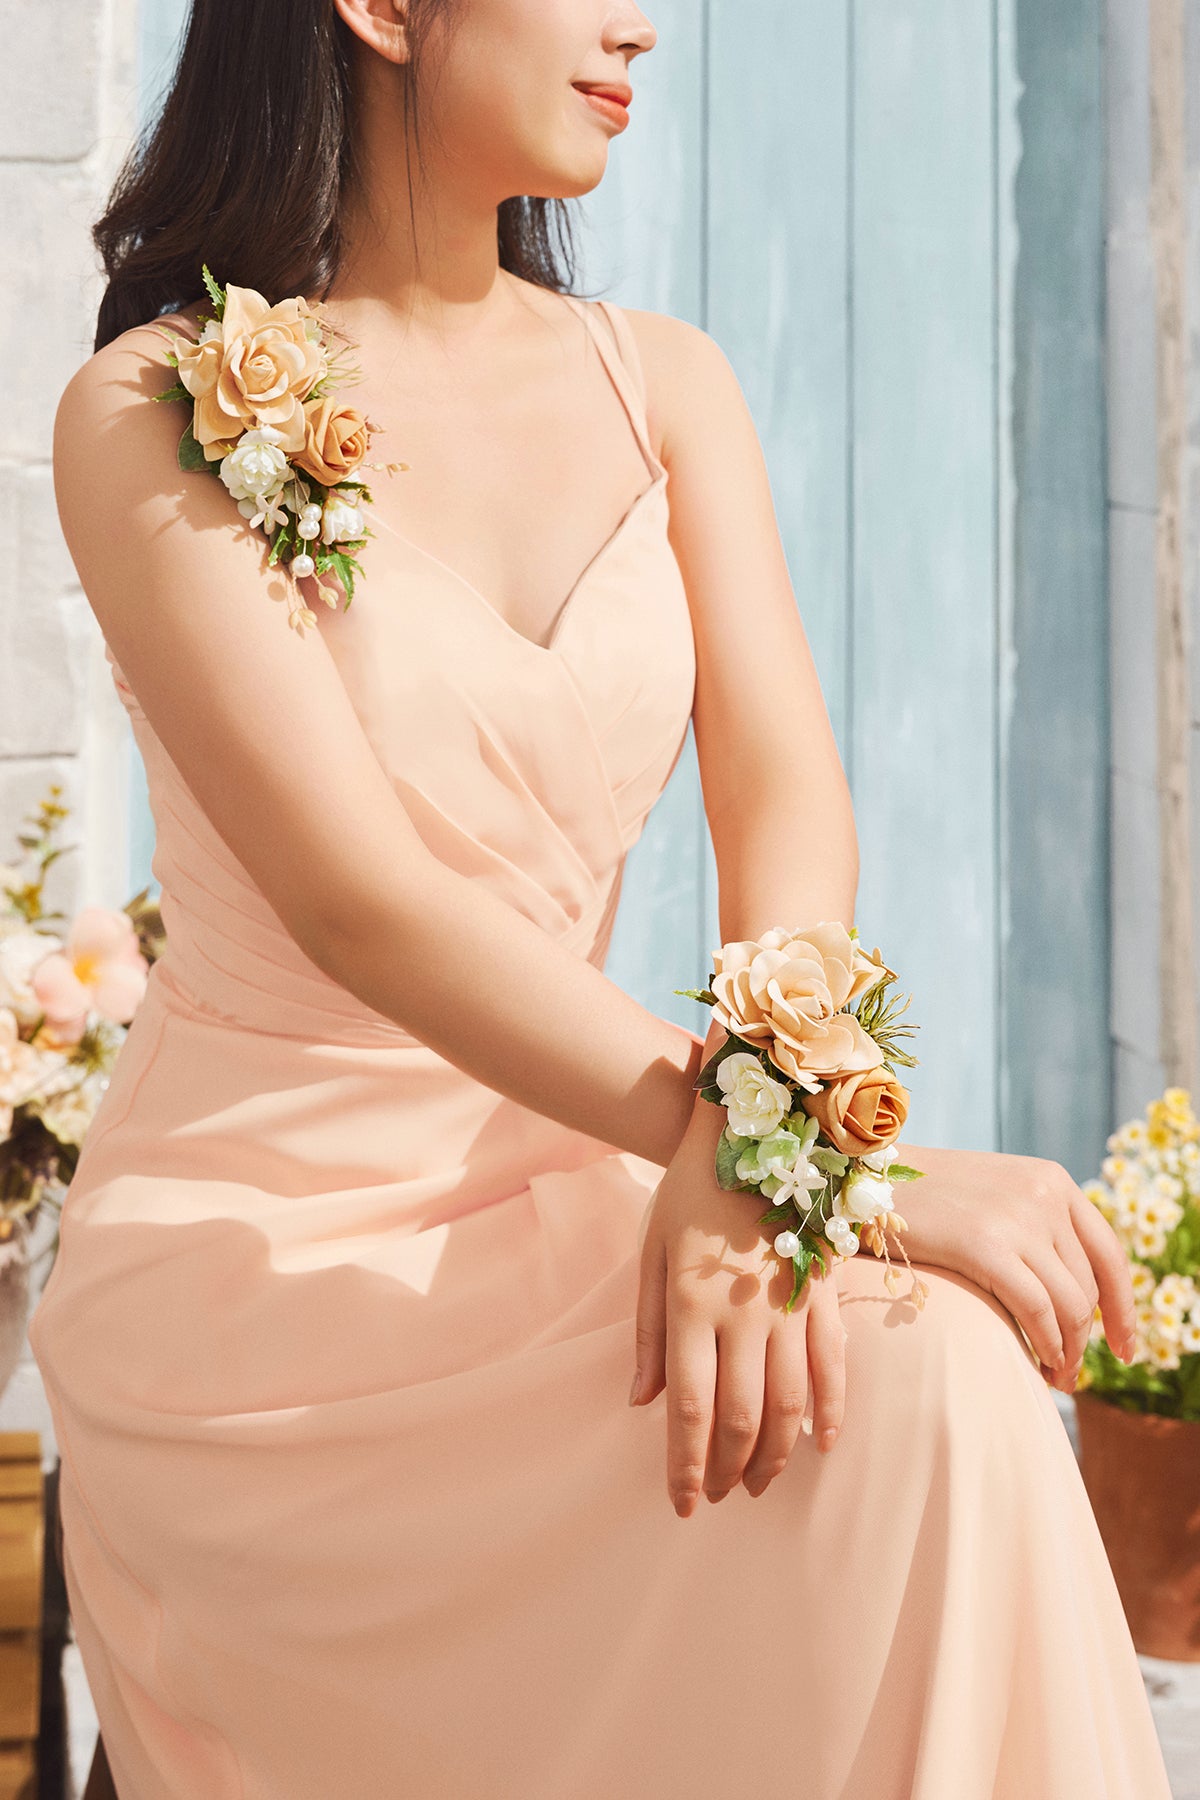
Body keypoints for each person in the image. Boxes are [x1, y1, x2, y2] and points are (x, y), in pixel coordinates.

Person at [27, 1, 1174, 1796]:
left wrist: (758, 1148)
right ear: (383, 9)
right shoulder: (152, 408)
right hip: (274, 1293)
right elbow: (364, 903)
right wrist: (793, 1155)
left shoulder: (668, 382)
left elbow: (787, 800)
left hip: (586, 1192)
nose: (639, 21)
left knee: (938, 1388)